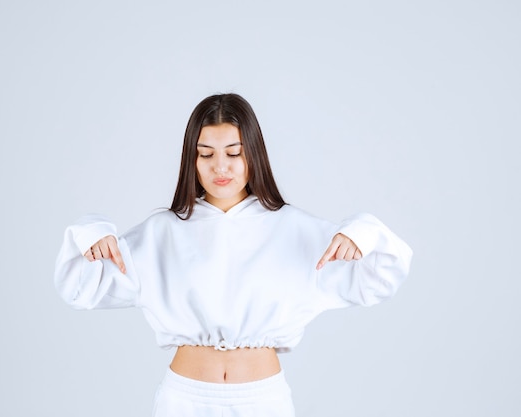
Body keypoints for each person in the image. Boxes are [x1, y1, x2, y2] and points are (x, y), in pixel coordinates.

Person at [54, 93, 413, 416]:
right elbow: (79, 289)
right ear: (191, 160)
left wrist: (363, 231)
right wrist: (92, 232)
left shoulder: (295, 229)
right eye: (206, 154)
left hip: (262, 401)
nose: (220, 167)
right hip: (184, 400)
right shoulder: (162, 231)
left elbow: (381, 277)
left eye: (234, 153)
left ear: (253, 154)